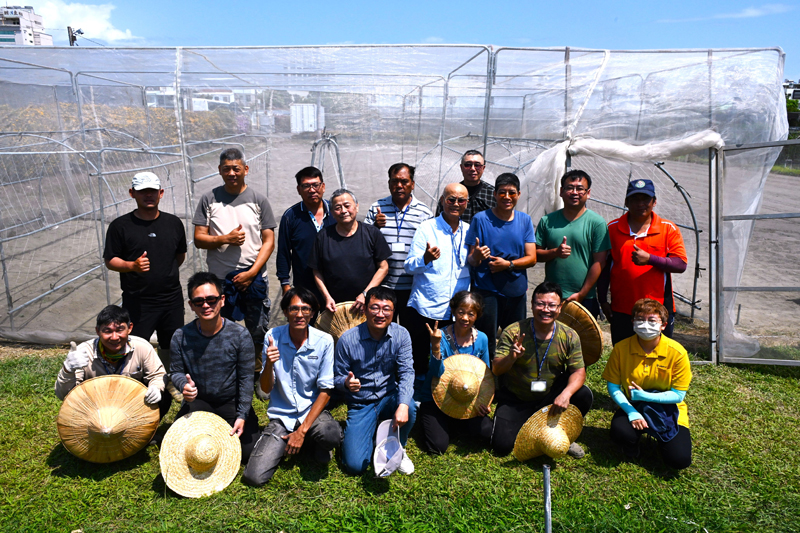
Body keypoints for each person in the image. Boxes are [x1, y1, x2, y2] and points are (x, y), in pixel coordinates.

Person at [192, 147, 276, 394]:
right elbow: (198, 238)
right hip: (220, 281)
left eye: (236, 168)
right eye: (226, 169)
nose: (231, 173)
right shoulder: (209, 199)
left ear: (245, 170)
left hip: (253, 277)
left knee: (257, 330)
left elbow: (269, 240)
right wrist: (224, 239)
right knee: (221, 330)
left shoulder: (258, 200)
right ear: (219, 170)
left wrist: (252, 273)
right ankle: (227, 375)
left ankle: (258, 375)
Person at [242, 287, 343, 486]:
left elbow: (325, 391)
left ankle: (310, 440)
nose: (299, 314)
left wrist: (302, 431)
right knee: (254, 477)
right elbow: (265, 388)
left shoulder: (324, 341)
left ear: (313, 313)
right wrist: (269, 364)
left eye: (305, 309)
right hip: (282, 416)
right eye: (293, 309)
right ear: (286, 311)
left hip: (311, 411)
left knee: (331, 435)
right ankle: (293, 442)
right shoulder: (273, 337)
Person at [490, 281, 593, 457]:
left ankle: (562, 433)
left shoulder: (568, 335)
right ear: (532, 305)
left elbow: (578, 371)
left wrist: (566, 394)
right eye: (540, 304)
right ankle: (539, 431)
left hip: (550, 396)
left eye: (552, 305)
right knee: (501, 446)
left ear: (560, 308)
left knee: (583, 394)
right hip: (516, 398)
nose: (546, 309)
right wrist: (512, 357)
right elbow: (497, 370)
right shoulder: (513, 331)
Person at [170, 272, 260, 462]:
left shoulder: (240, 335)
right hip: (199, 400)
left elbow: (246, 379)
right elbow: (176, 372)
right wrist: (183, 387)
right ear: (191, 305)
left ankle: (248, 422)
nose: (205, 305)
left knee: (247, 453)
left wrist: (242, 414)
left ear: (222, 300)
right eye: (199, 301)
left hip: (231, 400)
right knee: (181, 447)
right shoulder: (181, 336)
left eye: (211, 299)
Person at [103, 171, 186, 374]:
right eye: (142, 192)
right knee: (135, 344)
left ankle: (170, 379)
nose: (148, 196)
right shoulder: (120, 226)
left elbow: (180, 255)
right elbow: (110, 260)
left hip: (171, 299)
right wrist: (132, 266)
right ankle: (135, 379)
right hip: (138, 300)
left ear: (161, 193)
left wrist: (163, 273)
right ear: (132, 193)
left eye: (152, 191)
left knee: (172, 343)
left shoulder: (174, 223)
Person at [334, 286, 416, 475]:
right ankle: (367, 433)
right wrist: (346, 383)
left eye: (386, 309)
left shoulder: (401, 334)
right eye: (374, 308)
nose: (380, 314)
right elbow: (336, 377)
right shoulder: (347, 340)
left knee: (409, 406)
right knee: (355, 466)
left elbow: (406, 372)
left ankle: (398, 448)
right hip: (361, 403)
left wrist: (402, 404)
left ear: (393, 312)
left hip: (388, 396)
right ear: (364, 310)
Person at [602, 298, 692, 469]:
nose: (645, 324)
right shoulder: (621, 348)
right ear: (632, 322)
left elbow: (678, 395)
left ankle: (662, 439)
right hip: (633, 404)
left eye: (652, 320)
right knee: (619, 433)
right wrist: (631, 412)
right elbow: (613, 386)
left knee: (679, 460)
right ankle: (633, 444)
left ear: (663, 325)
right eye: (640, 319)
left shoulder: (677, 353)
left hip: (670, 408)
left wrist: (645, 395)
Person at [598, 179, 687, 345]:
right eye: (635, 199)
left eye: (645, 199)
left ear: (654, 202)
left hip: (658, 309)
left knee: (658, 356)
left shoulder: (668, 229)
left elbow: (680, 264)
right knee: (624, 355)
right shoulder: (612, 228)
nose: (641, 204)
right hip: (622, 309)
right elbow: (604, 268)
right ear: (626, 202)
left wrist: (651, 259)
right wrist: (603, 299)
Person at [55, 305, 171, 419]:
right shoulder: (83, 352)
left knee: (164, 395)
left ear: (130, 328)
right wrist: (67, 370)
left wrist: (156, 387)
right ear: (98, 331)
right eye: (107, 331)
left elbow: (157, 375)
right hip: (96, 408)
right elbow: (65, 395)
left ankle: (145, 432)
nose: (114, 337)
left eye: (120, 330)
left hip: (131, 404)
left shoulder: (142, 347)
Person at [403, 182, 471, 378]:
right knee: (421, 357)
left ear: (466, 203)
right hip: (427, 305)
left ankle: (443, 395)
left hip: (455, 310)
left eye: (461, 200)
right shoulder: (427, 228)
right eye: (451, 199)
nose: (455, 204)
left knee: (448, 358)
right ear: (442, 201)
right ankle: (417, 397)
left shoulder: (469, 230)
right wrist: (425, 258)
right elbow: (409, 266)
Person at [466, 173, 537, 358]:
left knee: (514, 339)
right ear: (495, 194)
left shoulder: (524, 220)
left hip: (516, 291)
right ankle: (487, 380)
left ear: (519, 194)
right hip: (487, 291)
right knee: (485, 339)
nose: (507, 197)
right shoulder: (480, 219)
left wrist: (508, 265)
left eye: (511, 192)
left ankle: (510, 380)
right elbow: (471, 260)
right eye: (502, 192)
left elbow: (532, 258)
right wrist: (478, 256)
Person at [417, 291, 493, 455]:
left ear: (477, 316)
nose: (465, 318)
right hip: (437, 397)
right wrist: (436, 347)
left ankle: (454, 422)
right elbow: (437, 373)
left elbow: (485, 375)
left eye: (471, 314)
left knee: (486, 431)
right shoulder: (440, 336)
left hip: (465, 398)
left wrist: (484, 403)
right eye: (461, 312)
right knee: (437, 446)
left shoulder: (482, 339)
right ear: (453, 311)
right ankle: (435, 420)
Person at [535, 169, 610, 317]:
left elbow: (599, 262)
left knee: (582, 340)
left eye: (580, 188)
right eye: (570, 188)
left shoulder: (597, 223)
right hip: (552, 297)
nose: (574, 192)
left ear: (588, 193)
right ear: (561, 191)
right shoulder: (547, 221)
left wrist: (582, 293)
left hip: (585, 298)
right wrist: (555, 252)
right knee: (550, 338)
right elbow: (535, 254)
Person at [364, 163, 433, 324]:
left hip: (413, 287)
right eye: (394, 181)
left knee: (412, 333)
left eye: (404, 181)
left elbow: (429, 250)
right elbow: (363, 243)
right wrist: (374, 227)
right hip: (383, 286)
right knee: (383, 331)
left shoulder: (424, 213)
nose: (399, 186)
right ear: (389, 184)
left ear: (413, 184)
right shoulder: (377, 208)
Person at [309, 189, 391, 315]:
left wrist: (365, 294)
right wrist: (327, 297)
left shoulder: (372, 233)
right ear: (332, 213)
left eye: (347, 206)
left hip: (368, 306)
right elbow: (316, 271)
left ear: (356, 207)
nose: (343, 211)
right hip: (336, 307)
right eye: (338, 207)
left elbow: (383, 267)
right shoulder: (323, 237)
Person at [275, 166, 335, 306]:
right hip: (305, 287)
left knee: (334, 326)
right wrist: (285, 286)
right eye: (306, 186)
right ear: (299, 190)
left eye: (315, 185)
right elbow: (283, 252)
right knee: (307, 325)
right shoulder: (291, 216)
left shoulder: (335, 212)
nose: (312, 190)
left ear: (323, 186)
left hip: (335, 285)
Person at [436, 150, 496, 223]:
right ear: (461, 167)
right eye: (468, 165)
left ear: (483, 168)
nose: (473, 169)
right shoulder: (450, 193)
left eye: (477, 165)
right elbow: (438, 222)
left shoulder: (493, 194)